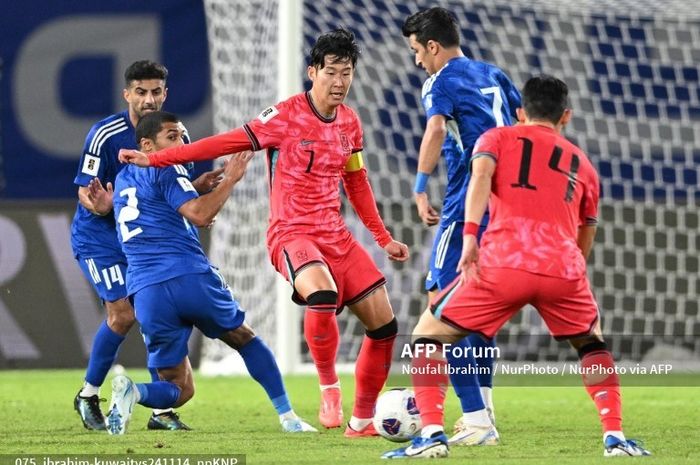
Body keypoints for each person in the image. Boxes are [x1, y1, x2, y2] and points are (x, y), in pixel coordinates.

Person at [119, 29, 409, 437]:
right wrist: (158, 160)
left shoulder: (350, 123)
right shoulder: (285, 116)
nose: (340, 82)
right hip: (292, 233)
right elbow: (225, 141)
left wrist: (382, 238)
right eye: (332, 72)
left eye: (347, 73)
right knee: (321, 295)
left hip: (336, 235)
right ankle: (329, 387)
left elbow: (357, 182)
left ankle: (361, 423)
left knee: (385, 327)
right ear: (313, 72)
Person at [382, 75, 651, 459]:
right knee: (592, 343)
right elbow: (588, 226)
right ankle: (615, 438)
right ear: (567, 117)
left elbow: (480, 177)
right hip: (562, 267)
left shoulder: (498, 137)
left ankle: (432, 435)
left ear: (521, 112)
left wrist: (471, 235)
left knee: (427, 337)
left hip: (503, 263)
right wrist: (575, 265)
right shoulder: (584, 165)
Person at [104, 110, 316, 435]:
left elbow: (157, 208)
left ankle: (134, 391)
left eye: (183, 136)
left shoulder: (123, 179)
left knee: (180, 389)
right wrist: (231, 178)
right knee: (245, 339)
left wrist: (194, 186)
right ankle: (288, 417)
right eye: (172, 137)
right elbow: (200, 215)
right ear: (147, 144)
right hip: (189, 277)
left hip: (146, 292)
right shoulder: (167, 167)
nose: (182, 143)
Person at [71, 60, 222, 431]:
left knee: (162, 316)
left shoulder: (174, 134)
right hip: (102, 238)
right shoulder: (105, 134)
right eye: (141, 91)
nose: (149, 99)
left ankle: (161, 410)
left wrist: (197, 189)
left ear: (165, 93)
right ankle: (89, 394)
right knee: (123, 314)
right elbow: (84, 191)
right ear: (127, 94)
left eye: (156, 91)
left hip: (146, 242)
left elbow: (172, 190)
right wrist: (101, 205)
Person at [402, 6, 521, 445]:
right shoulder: (495, 74)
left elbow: (435, 130)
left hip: (466, 204)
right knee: (479, 312)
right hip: (508, 207)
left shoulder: (441, 81)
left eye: (417, 51)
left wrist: (418, 187)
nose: (417, 61)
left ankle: (474, 420)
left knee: (441, 309)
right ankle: (484, 411)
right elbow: (526, 128)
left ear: (433, 46)